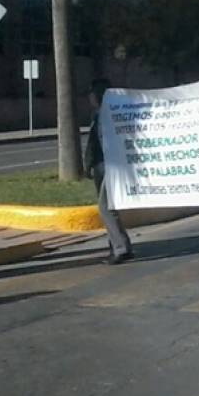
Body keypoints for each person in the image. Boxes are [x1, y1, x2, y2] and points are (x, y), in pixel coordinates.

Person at [84, 78, 133, 265]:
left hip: (109, 166)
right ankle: (117, 245)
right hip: (100, 166)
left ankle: (121, 248)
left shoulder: (106, 116)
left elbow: (103, 143)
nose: (89, 98)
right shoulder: (99, 115)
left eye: (91, 94)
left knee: (105, 207)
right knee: (108, 207)